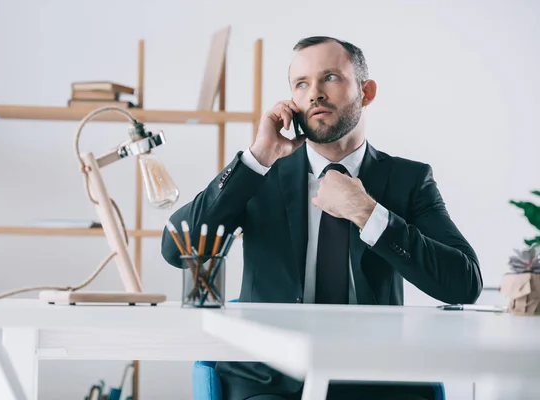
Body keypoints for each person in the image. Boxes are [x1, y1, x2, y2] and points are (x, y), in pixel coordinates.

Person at [161, 36, 483, 400]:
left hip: (377, 379)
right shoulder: (259, 175)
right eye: (301, 84)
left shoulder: (409, 180)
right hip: (270, 382)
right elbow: (176, 250)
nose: (314, 93)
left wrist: (368, 214)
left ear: (367, 92)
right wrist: (257, 158)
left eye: (329, 77)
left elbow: (464, 283)